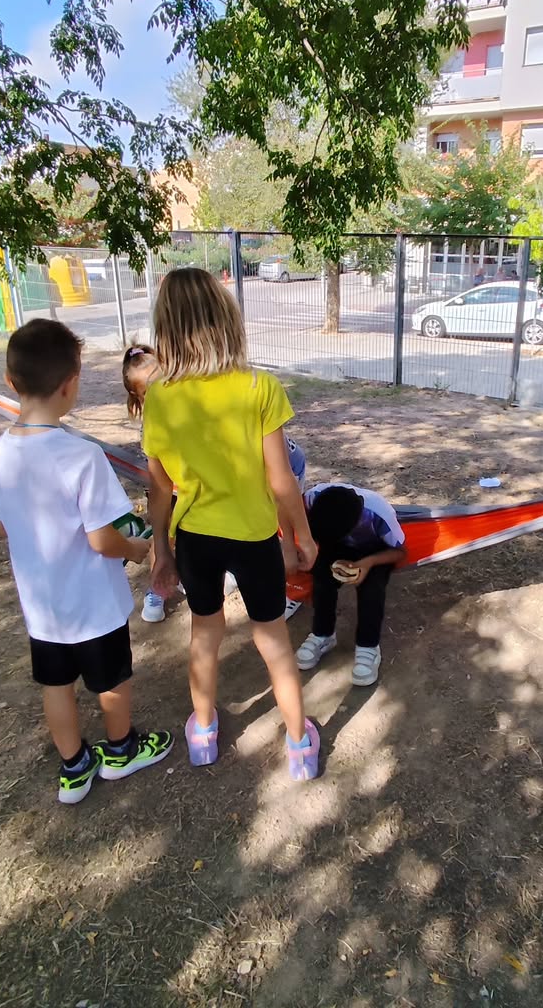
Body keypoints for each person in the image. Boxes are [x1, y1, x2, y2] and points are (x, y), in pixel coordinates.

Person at [141, 268, 321, 780]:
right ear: (226, 318)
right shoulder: (259, 387)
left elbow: (159, 489)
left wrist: (162, 549)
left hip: (195, 537)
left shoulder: (159, 396)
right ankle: (299, 744)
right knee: (273, 638)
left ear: (166, 326)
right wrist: (302, 536)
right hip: (254, 537)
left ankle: (202, 734)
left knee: (204, 632)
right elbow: (282, 480)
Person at [0, 319, 172, 804]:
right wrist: (135, 549)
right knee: (111, 680)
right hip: (94, 606)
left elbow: (0, 525)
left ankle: (73, 766)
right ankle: (121, 749)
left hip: (42, 609)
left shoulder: (2, 451)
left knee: (56, 684)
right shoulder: (82, 455)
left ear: (10, 381)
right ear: (71, 385)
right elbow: (102, 539)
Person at [122, 342, 309, 623]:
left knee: (279, 531)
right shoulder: (162, 413)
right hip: (204, 504)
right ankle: (159, 588)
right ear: (137, 398)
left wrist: (296, 540)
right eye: (148, 391)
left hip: (272, 481)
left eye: (162, 381)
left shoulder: (239, 394)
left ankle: (289, 585)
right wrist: (162, 549)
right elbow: (161, 489)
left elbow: (279, 480)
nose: (159, 390)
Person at [295, 484, 406, 687]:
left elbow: (400, 552)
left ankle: (368, 646)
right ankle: (323, 634)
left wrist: (367, 563)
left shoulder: (379, 514)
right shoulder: (312, 499)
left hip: (375, 551)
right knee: (321, 576)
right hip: (334, 544)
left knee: (371, 588)